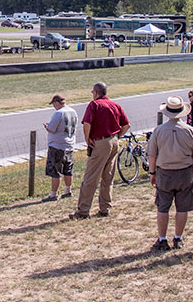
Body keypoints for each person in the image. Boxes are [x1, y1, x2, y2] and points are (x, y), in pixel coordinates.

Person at [147, 97, 193, 251]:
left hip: (165, 173)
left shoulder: (158, 131)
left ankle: (162, 238)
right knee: (182, 208)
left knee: (163, 207)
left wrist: (152, 173)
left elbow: (152, 155)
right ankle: (178, 237)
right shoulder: (190, 131)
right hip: (185, 173)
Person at [70, 82, 130, 219]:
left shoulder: (94, 105)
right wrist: (117, 136)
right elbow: (126, 125)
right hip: (114, 140)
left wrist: (87, 139)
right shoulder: (115, 105)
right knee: (108, 176)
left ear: (95, 93)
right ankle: (105, 207)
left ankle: (83, 211)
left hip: (100, 142)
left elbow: (87, 123)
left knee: (91, 177)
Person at [42, 95, 78, 202]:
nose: (54, 106)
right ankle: (68, 190)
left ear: (57, 102)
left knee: (55, 171)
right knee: (68, 169)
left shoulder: (58, 113)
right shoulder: (73, 112)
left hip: (57, 145)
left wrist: (47, 127)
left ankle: (53, 194)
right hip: (70, 145)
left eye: (53, 104)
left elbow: (52, 129)